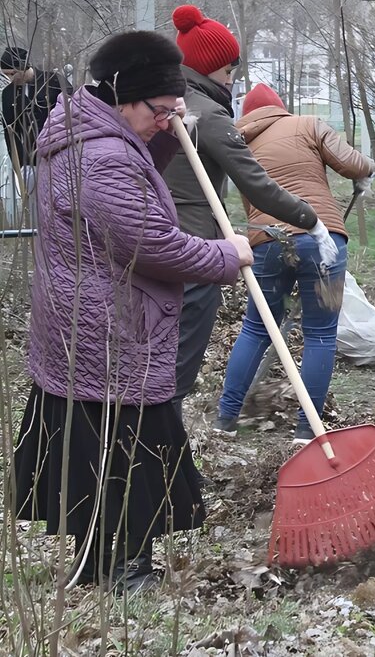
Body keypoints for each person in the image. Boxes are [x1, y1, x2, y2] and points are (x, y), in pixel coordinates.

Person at [13, 30, 253, 592]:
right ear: (125, 98)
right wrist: (228, 251)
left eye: (175, 109)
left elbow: (131, 182)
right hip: (112, 328)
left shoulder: (84, 136)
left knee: (94, 448)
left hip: (81, 324)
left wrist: (166, 137)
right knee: (131, 453)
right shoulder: (103, 158)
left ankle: (98, 563)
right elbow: (155, 245)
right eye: (161, 109)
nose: (168, 118)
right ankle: (126, 570)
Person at [161, 5, 336, 423]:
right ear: (213, 67)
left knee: (169, 346)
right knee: (182, 358)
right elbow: (256, 184)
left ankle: (204, 425)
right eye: (229, 69)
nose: (233, 78)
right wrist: (311, 220)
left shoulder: (162, 103)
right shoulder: (206, 111)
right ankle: (165, 450)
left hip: (155, 238)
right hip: (196, 244)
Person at [216, 84, 373, 442]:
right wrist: (366, 170)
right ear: (280, 108)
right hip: (324, 240)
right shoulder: (308, 124)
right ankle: (307, 431)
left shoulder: (236, 141)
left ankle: (225, 420)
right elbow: (352, 165)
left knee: (256, 328)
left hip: (267, 241)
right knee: (320, 335)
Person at [1, 46, 69, 213]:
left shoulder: (53, 82)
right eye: (5, 74)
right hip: (30, 161)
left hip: (60, 157)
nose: (10, 78)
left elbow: (73, 114)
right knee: (37, 212)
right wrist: (20, 166)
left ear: (24, 66)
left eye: (12, 73)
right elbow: (12, 133)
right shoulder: (8, 94)